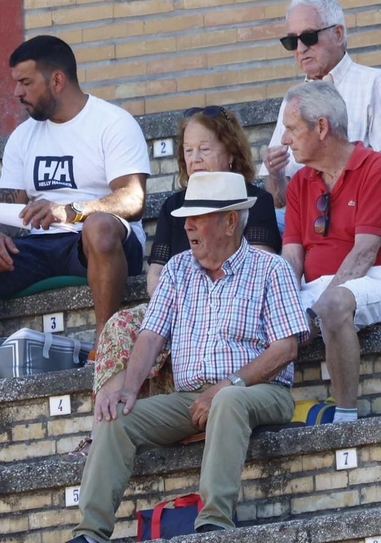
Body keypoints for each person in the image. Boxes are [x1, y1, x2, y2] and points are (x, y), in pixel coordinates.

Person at [68, 172, 305, 543]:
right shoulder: (178, 268)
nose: (188, 227)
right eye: (186, 219)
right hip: (190, 398)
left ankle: (214, 522)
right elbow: (150, 335)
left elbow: (285, 349)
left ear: (229, 221)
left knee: (227, 400)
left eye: (198, 219)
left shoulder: (270, 269)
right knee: (116, 417)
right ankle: (90, 533)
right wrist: (129, 388)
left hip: (260, 391)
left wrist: (229, 385)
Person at [0, 36, 149, 360]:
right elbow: (7, 205)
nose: (17, 92)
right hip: (40, 245)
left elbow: (133, 199)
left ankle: (105, 346)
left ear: (57, 80)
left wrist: (69, 211)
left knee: (99, 227)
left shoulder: (112, 123)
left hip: (96, 243)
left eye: (25, 82)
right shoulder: (24, 135)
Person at [93, 106, 281, 399]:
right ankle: (109, 422)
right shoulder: (174, 205)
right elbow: (156, 274)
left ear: (231, 153)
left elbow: (259, 265)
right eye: (189, 150)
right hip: (177, 306)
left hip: (233, 307)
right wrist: (179, 307)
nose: (194, 158)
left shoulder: (255, 201)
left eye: (204, 149)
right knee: (120, 325)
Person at [280, 80, 381, 423]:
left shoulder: (377, 169)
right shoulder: (299, 183)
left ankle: (344, 419)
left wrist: (312, 313)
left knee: (334, 303)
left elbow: (362, 257)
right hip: (317, 287)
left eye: (292, 129)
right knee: (257, 313)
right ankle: (264, 408)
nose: (284, 139)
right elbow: (292, 257)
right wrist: (277, 302)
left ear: (321, 127)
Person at [262, 0, 381, 209]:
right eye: (291, 41)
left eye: (309, 37)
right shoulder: (292, 100)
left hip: (359, 208)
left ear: (338, 34)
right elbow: (278, 201)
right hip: (302, 215)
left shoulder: (376, 83)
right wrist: (275, 175)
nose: (300, 49)